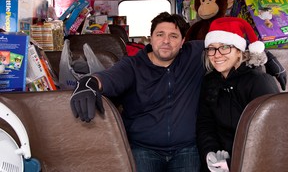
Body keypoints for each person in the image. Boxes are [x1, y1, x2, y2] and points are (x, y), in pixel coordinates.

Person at [70, 12, 206, 172]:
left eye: (174, 36)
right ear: (151, 37)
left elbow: (227, 42)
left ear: (183, 41)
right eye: (160, 34)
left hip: (186, 148)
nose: (166, 41)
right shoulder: (133, 65)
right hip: (143, 148)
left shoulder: (195, 55)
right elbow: (110, 77)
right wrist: (89, 82)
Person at [196, 17, 280, 172]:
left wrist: (233, 163)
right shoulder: (210, 81)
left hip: (253, 162)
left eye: (225, 47)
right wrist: (211, 155)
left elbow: (270, 133)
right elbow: (205, 124)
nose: (217, 54)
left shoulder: (259, 82)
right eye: (212, 48)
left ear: (239, 50)